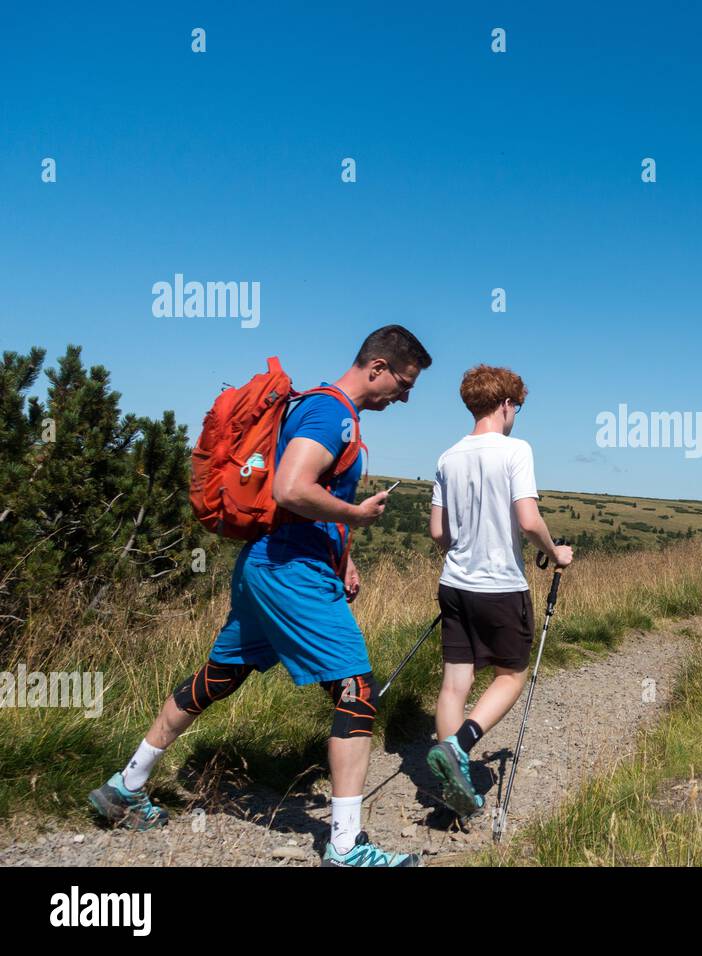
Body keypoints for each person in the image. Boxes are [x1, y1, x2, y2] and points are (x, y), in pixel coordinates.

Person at [88, 325, 432, 868]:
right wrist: (357, 515)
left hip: (267, 564)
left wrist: (344, 553)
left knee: (220, 676)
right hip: (291, 573)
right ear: (378, 368)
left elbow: (296, 501)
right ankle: (345, 847)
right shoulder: (332, 414)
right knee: (357, 689)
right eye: (405, 383)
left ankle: (126, 785)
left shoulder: (312, 406)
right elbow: (291, 489)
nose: (406, 396)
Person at [426, 365, 573, 817]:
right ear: (506, 404)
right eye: (518, 407)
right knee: (511, 674)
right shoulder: (515, 450)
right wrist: (555, 551)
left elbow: (438, 533)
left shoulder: (448, 457)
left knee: (456, 682)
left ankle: (457, 775)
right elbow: (528, 520)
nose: (517, 415)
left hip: (454, 583)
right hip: (500, 586)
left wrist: (465, 544)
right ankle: (459, 747)